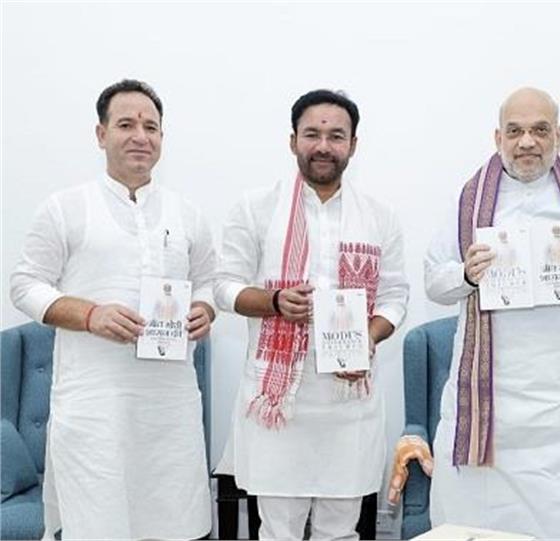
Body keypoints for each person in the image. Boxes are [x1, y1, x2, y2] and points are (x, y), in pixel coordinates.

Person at [395, 87, 560, 539]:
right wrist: (467, 274)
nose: (527, 142)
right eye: (514, 131)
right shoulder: (469, 200)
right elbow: (435, 279)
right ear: (498, 138)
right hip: (491, 406)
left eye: (539, 130)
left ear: (559, 136)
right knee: (477, 522)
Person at [9, 79, 216, 540]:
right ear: (101, 134)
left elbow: (207, 281)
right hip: (95, 405)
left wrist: (205, 308)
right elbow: (24, 284)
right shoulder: (65, 207)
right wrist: (90, 315)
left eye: (151, 127)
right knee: (98, 523)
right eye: (126, 125)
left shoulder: (187, 214)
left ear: (162, 138)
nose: (140, 136)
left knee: (174, 523)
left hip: (171, 407)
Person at [214, 89, 408, 541]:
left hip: (348, 402)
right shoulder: (256, 208)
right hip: (278, 403)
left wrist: (369, 337)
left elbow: (396, 296)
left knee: (340, 531)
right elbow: (224, 287)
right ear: (292, 141)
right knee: (277, 530)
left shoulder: (379, 216)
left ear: (353, 145)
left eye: (336, 136)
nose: (323, 146)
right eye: (312, 134)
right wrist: (274, 302)